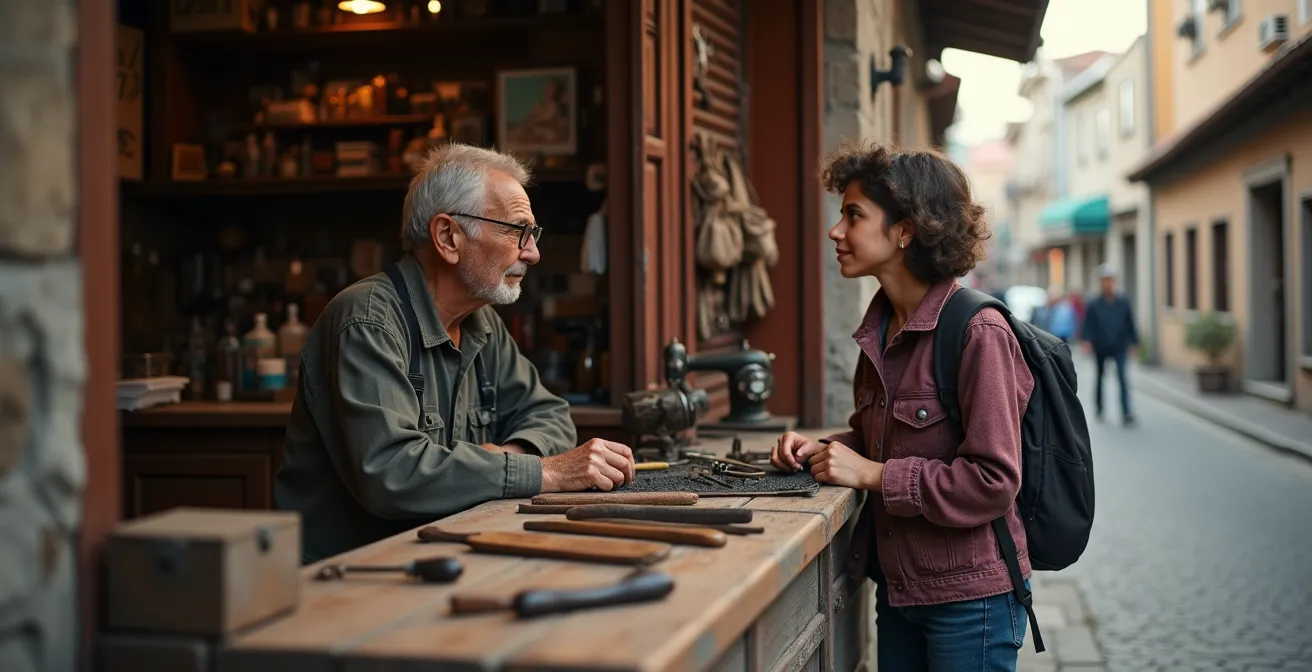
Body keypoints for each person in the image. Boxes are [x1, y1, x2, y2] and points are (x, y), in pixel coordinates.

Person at [277, 143, 635, 563]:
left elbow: (551, 416)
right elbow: (392, 474)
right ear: (448, 237)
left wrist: (506, 457)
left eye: (533, 235)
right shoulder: (367, 321)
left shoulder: (481, 323)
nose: (532, 253)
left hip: (441, 563)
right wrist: (547, 471)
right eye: (517, 231)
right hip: (351, 579)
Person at [773, 142, 1034, 671]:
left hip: (971, 602)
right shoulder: (882, 328)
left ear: (905, 230)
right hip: (899, 591)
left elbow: (993, 480)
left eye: (853, 215)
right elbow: (880, 440)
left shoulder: (977, 332)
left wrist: (873, 474)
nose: (836, 232)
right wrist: (823, 450)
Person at [1082, 265, 1138, 425]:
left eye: (1110, 280)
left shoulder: (1123, 302)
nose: (1107, 284)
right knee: (1100, 377)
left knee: (1122, 377)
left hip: (1120, 345)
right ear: (1100, 283)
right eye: (1104, 281)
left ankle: (1126, 412)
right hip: (1101, 345)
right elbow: (1088, 325)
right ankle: (1099, 407)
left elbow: (1130, 323)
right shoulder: (1093, 303)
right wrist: (1087, 341)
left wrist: (1134, 342)